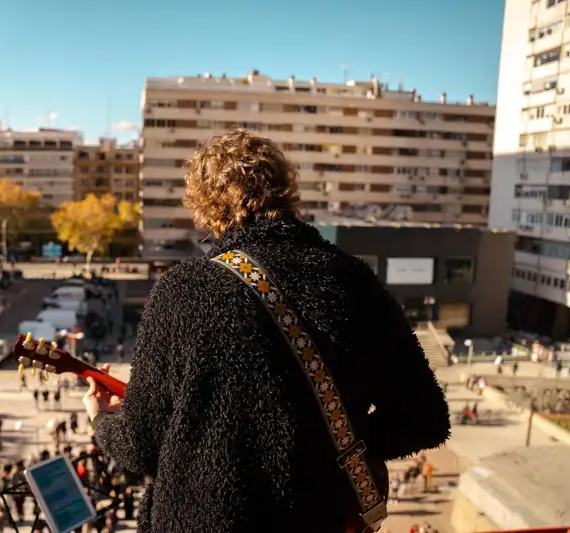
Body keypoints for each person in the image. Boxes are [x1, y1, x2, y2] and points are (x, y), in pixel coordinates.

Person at [83, 130, 451, 533]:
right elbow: (425, 418)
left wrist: (101, 421)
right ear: (286, 191)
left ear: (205, 206)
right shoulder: (354, 280)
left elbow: (142, 445)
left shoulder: (185, 290)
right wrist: (329, 454)